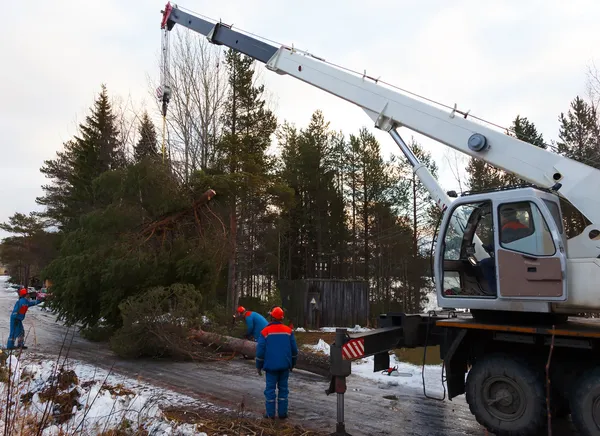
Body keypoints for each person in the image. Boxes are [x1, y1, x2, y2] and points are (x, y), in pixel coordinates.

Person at [256, 306, 298, 419]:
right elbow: (294, 351)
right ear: (282, 318)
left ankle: (270, 415)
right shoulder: (288, 331)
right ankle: (282, 414)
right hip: (284, 366)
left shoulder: (265, 332)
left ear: (271, 317)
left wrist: (258, 366)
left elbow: (260, 352)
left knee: (270, 390)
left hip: (270, 367)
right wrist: (292, 364)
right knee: (283, 390)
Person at [479, 207, 528, 295]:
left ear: (505, 217)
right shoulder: (523, 227)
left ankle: (495, 291)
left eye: (501, 216)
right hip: (521, 259)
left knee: (485, 263)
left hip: (511, 260)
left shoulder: (508, 228)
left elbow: (502, 244)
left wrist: (488, 247)